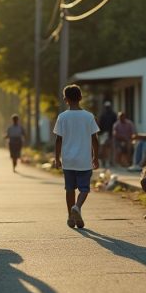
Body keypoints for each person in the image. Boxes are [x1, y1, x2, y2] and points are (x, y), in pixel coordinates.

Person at [53, 84, 100, 229]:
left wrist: (57, 158)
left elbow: (58, 140)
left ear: (65, 99)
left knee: (69, 189)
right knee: (84, 189)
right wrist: (96, 157)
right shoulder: (88, 116)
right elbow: (94, 139)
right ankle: (77, 207)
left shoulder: (62, 117)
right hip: (84, 160)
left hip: (68, 160)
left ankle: (71, 218)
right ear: (80, 97)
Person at [97, 101, 117, 167]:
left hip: (111, 134)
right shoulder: (103, 115)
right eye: (106, 107)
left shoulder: (113, 115)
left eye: (108, 107)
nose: (107, 108)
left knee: (110, 149)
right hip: (103, 134)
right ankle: (104, 162)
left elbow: (115, 124)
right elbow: (100, 125)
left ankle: (111, 162)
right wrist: (100, 133)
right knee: (103, 148)